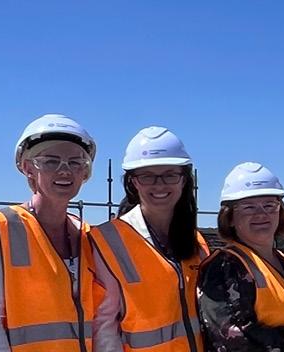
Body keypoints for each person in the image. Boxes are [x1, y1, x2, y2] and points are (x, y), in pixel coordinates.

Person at [0, 114, 99, 352]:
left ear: (85, 172)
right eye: (51, 161)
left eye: (75, 162)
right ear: (28, 169)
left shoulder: (88, 236)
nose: (65, 171)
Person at [90, 126, 209, 352]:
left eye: (170, 175)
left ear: (184, 180)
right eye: (147, 176)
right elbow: (104, 327)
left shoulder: (196, 242)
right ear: (133, 182)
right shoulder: (106, 240)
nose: (160, 185)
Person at [197, 162, 284, 351]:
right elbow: (230, 341)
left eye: (269, 205)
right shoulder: (223, 268)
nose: (261, 214)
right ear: (229, 217)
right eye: (248, 207)